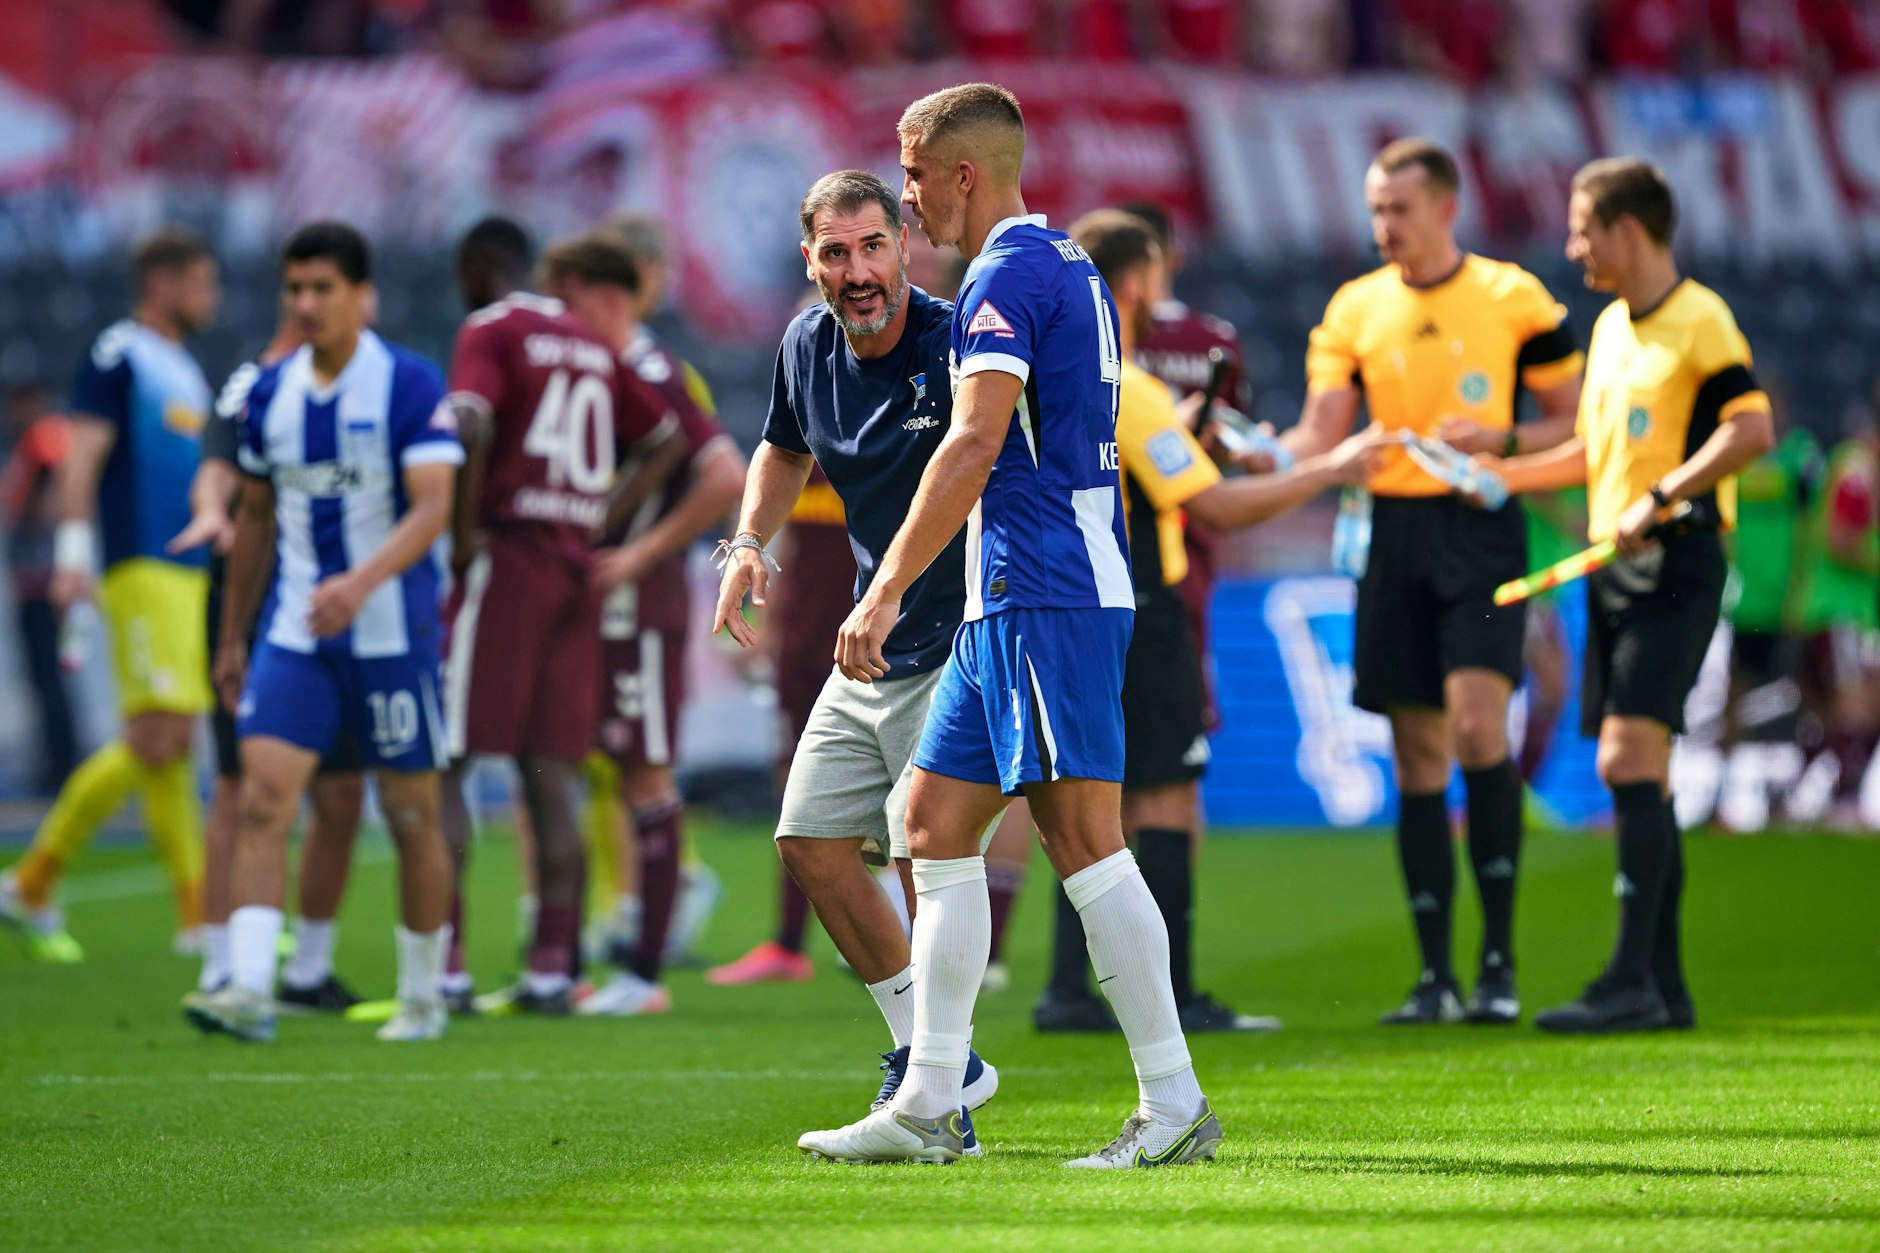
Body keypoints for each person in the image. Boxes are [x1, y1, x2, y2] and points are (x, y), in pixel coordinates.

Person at [798, 83, 1219, 1167]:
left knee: (1083, 840)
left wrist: (885, 585)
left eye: (910, 178)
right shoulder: (1066, 262)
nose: (908, 199)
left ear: (960, 174)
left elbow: (975, 439)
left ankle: (1171, 1102)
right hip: (1011, 594)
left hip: (1046, 589)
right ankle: (932, 1095)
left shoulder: (1005, 273)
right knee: (930, 824)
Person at [712, 169, 998, 1150]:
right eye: (835, 253)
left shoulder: (958, 338)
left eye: (872, 245)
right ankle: (935, 1059)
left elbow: (988, 469)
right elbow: (780, 448)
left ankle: (939, 1101)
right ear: (811, 262)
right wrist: (748, 541)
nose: (857, 270)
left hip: (961, 635)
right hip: (871, 642)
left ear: (904, 244)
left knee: (935, 858)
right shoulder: (804, 343)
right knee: (809, 842)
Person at [1036, 208, 1374, 1037]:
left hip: (1064, 601)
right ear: (1140, 281)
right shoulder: (1133, 384)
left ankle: (1068, 989)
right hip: (1142, 607)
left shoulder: (1051, 365)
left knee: (1083, 798)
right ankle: (1173, 993)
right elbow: (1214, 506)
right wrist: (1331, 466)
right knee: (1171, 799)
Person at [1282, 138, 1585, 1026]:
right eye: (1376, 208)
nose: (1384, 226)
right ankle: (1434, 978)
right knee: (1416, 754)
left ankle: (1497, 962)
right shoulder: (1353, 309)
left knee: (1477, 723)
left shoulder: (1514, 297)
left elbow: (1576, 424)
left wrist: (1503, 441)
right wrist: (1249, 455)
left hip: (1482, 527)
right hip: (1392, 533)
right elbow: (1319, 431)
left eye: (1399, 209)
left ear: (1446, 209)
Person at [1487, 157, 1774, 1032]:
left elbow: (1751, 427)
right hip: (1614, 566)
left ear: (1628, 229)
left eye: (1583, 228)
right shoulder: (1609, 327)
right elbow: (1589, 452)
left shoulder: (1700, 320)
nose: (1572, 246)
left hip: (1678, 561)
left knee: (1625, 759)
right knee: (1636, 769)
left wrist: (1665, 496)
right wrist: (1497, 472)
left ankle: (1628, 979)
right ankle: (1665, 986)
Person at [186, 222, 461, 1044]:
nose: (306, 304)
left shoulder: (408, 383)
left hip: (389, 631)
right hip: (295, 633)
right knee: (266, 800)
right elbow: (257, 518)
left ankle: (421, 996)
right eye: (294, 289)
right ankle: (244, 987)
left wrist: (360, 581)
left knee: (411, 815)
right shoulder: (270, 395)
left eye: (322, 289)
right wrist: (233, 636)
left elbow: (433, 507)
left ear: (361, 296)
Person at [439, 218, 676, 1015]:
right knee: (553, 774)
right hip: (576, 570)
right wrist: (602, 518)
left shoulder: (492, 328)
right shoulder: (589, 344)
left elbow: (469, 420)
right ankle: (549, 967)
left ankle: (445, 963)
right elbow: (665, 438)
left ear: (478, 270)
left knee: (449, 761)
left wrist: (462, 533)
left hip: (507, 561)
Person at [537, 230, 745, 1015]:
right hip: (592, 605)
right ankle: (571, 956)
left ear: (608, 294)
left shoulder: (652, 369)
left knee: (642, 770)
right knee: (584, 765)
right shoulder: (598, 368)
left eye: (568, 298)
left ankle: (644, 974)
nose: (558, 314)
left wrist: (640, 553)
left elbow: (725, 473)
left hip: (636, 606)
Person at [1, 228, 221, 962]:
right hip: (138, 566)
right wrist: (72, 556)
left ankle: (195, 919)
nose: (210, 297)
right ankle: (31, 878)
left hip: (183, 570)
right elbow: (81, 455)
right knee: (155, 737)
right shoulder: (118, 353)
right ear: (160, 280)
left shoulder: (185, 369)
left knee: (174, 743)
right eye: (199, 282)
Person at [169, 313, 371, 1007]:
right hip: (254, 606)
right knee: (239, 786)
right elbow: (218, 465)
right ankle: (222, 963)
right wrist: (212, 511)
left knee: (343, 795)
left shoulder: (369, 385)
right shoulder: (253, 386)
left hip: (340, 611)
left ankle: (309, 969)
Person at [706, 464, 854, 986]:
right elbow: (780, 549)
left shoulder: (893, 436)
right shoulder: (803, 455)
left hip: (873, 646)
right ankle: (789, 944)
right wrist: (768, 635)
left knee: (897, 796)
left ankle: (903, 934)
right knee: (796, 790)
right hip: (804, 650)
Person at [1, 384, 78, 796]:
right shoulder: (31, 443)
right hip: (32, 580)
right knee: (46, 674)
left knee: (50, 673)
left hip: (44, 581)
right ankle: (59, 755)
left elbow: (50, 484)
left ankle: (64, 760)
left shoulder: (42, 438)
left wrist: (29, 506)